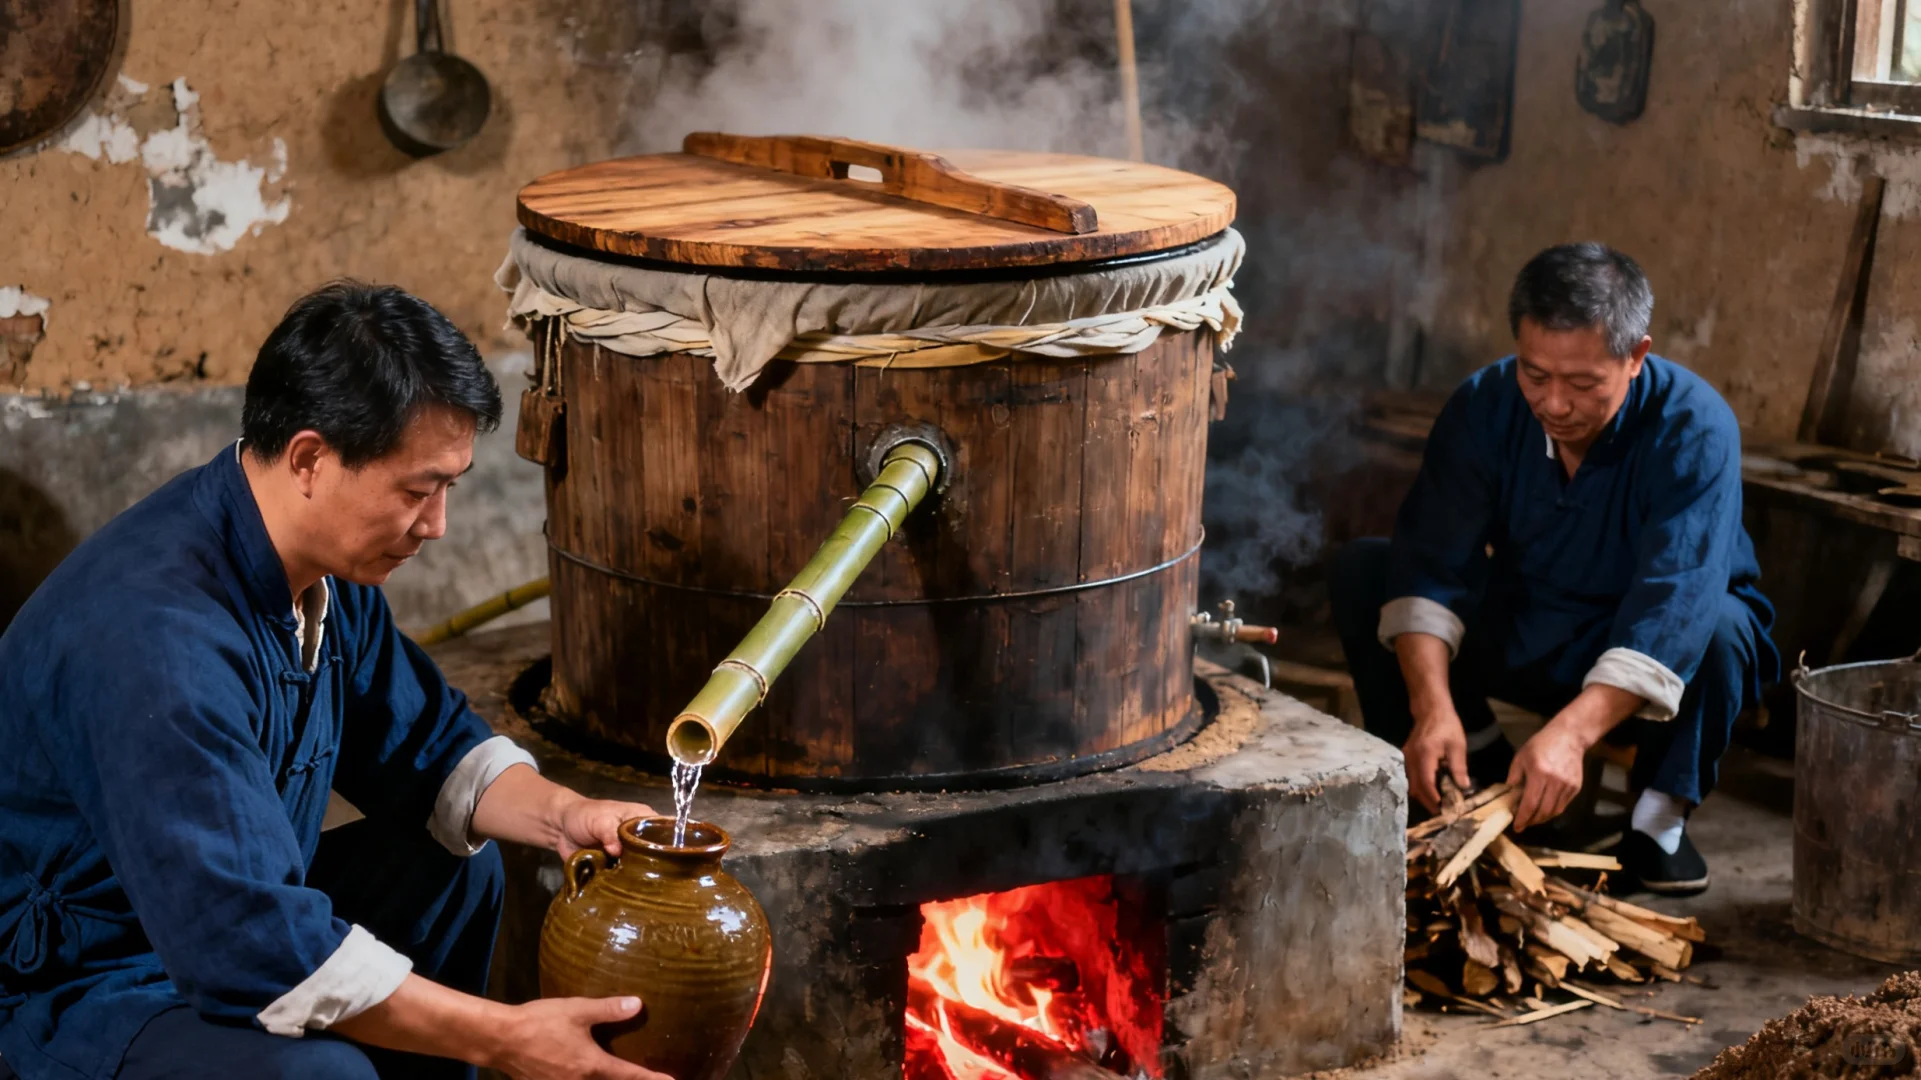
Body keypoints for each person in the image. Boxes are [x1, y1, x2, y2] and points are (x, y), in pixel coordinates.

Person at [0, 284, 674, 1080]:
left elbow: (427, 748)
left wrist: (568, 816)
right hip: (78, 980)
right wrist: (504, 1038)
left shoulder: (324, 568)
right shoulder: (158, 636)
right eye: (417, 491)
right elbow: (245, 940)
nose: (437, 526)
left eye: (449, 488)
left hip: (198, 921)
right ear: (311, 459)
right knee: (322, 1078)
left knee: (454, 869)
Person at [1332, 243, 1778, 897]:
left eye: (1582, 383)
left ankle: (1656, 825)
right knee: (1367, 569)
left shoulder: (1694, 425)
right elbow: (1433, 559)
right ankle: (1468, 761)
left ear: (1636, 356)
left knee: (1717, 628)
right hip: (1533, 621)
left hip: (1647, 654)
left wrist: (1570, 735)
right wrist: (1432, 707)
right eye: (1535, 375)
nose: (1555, 404)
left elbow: (1674, 595)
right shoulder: (1485, 402)